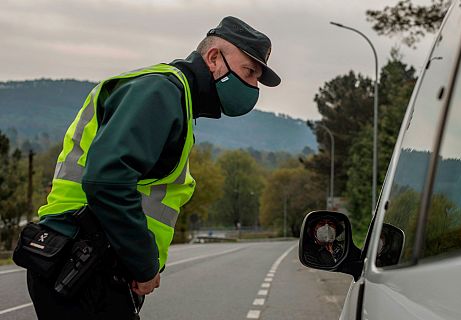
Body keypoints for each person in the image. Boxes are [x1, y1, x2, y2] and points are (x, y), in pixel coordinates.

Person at [26, 16, 280, 319]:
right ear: (214, 58)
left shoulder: (177, 99)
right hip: (80, 258)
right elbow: (107, 181)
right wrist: (143, 262)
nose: (253, 86)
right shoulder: (160, 92)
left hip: (92, 257)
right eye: (249, 72)